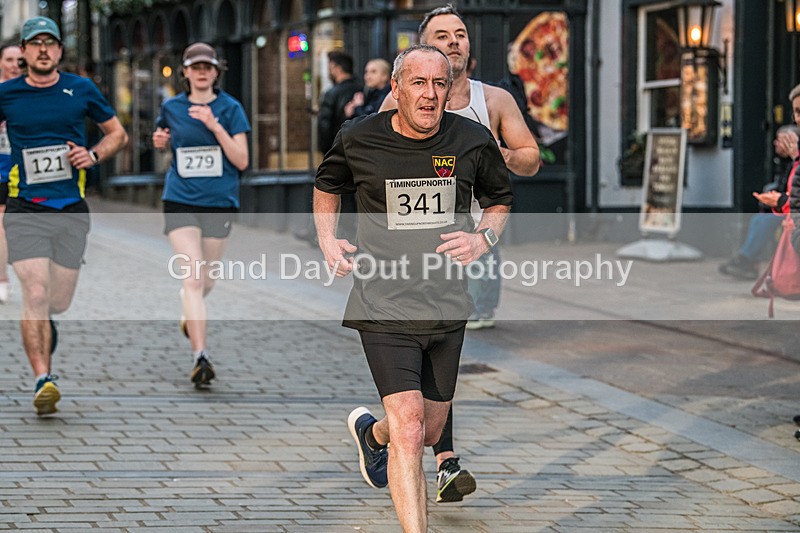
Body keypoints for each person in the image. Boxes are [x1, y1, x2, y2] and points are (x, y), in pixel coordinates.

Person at [315, 45, 512, 532]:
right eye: (419, 83)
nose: (429, 94)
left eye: (439, 84)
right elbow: (327, 184)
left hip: (446, 304)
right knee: (409, 425)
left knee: (429, 430)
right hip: (381, 301)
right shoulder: (359, 136)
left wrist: (482, 238)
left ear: (449, 89)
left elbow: (500, 198)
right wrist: (327, 240)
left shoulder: (472, 139)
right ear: (397, 87)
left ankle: (371, 435)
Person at [379, 3, 540, 502]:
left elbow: (531, 159)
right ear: (423, 48)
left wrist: (498, 153)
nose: (454, 41)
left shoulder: (492, 99)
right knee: (425, 348)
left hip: (469, 237)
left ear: (470, 47)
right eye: (442, 35)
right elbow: (373, 160)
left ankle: (387, 434)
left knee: (442, 350)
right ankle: (442, 458)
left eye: (461, 34)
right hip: (412, 243)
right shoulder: (399, 99)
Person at [1, 16, 128, 415]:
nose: (42, 49)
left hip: (71, 208)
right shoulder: (7, 93)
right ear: (23, 52)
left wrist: (92, 155)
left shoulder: (82, 89)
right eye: (34, 43)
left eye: (49, 43)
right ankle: (43, 378)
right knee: (34, 292)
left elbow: (117, 134)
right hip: (24, 206)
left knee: (59, 300)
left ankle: (43, 325)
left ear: (58, 50)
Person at [152, 42, 250, 388]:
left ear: (216, 71)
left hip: (218, 202)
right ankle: (200, 356)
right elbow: (162, 138)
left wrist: (214, 125)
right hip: (179, 200)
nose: (202, 72)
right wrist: (160, 141)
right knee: (193, 279)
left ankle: (189, 313)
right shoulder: (172, 107)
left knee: (206, 282)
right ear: (186, 72)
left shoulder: (230, 108)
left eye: (208, 66)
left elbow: (241, 160)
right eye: (196, 67)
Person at [719, 123, 800, 280]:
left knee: (765, 221)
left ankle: (746, 259)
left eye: (781, 140)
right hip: (786, 208)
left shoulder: (795, 163)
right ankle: (748, 261)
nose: (775, 143)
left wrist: (779, 199)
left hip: (791, 212)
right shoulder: (781, 162)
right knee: (759, 219)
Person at [0, 44, 22, 303]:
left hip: (27, 170)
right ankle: (3, 278)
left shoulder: (32, 91)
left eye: (19, 60)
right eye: (9, 59)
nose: (14, 64)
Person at [318, 51, 361, 155]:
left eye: (330, 68)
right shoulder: (363, 89)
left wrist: (326, 150)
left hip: (338, 147)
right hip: (359, 148)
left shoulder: (331, 93)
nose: (329, 72)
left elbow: (324, 126)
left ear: (338, 68)